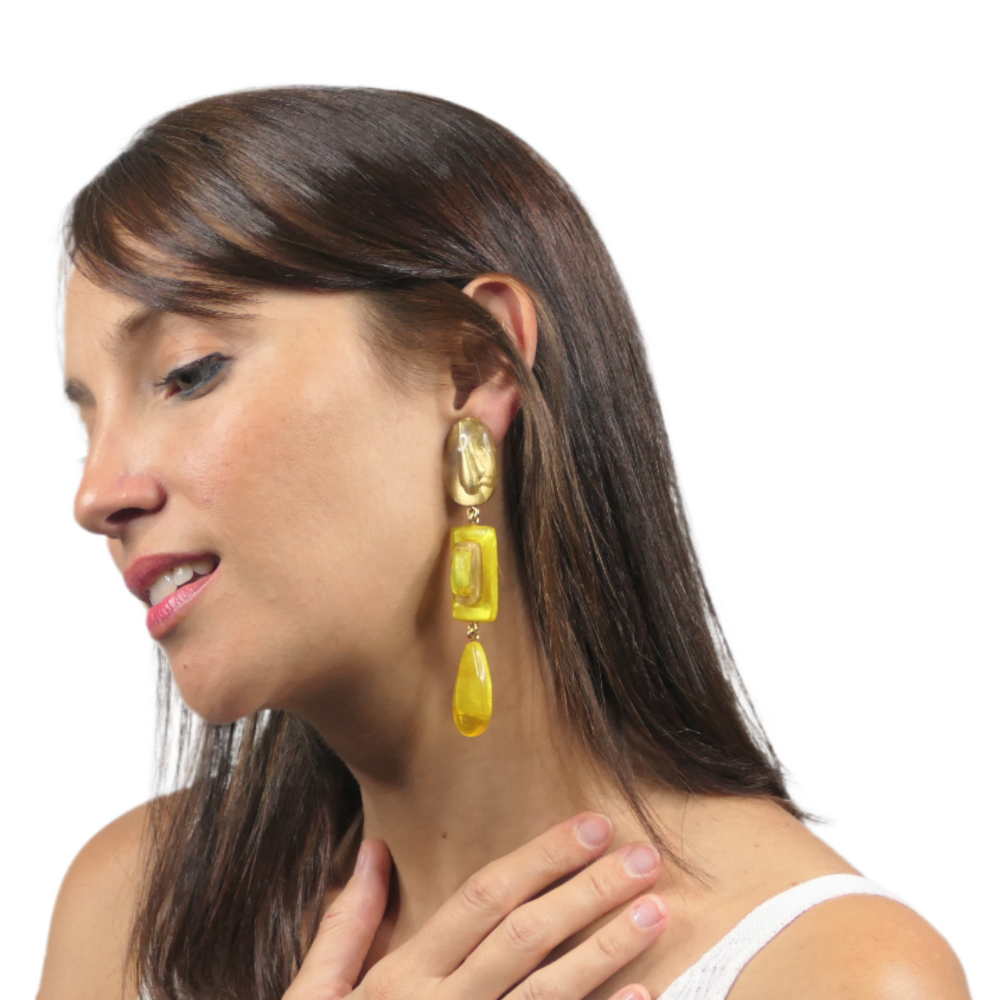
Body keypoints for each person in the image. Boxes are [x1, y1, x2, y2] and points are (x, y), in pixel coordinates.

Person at [38, 87, 970, 1000]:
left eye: (188, 374)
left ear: (473, 363)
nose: (97, 495)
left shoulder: (831, 975)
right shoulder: (130, 917)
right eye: (88, 422)